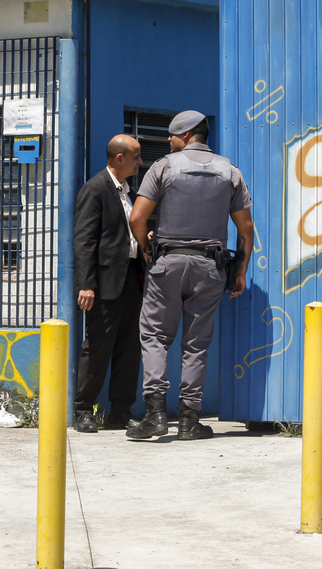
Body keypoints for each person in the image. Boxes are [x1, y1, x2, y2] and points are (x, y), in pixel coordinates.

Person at [126, 110, 253, 441]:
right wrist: (241, 271)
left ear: (186, 136)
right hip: (210, 268)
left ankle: (155, 414)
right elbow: (246, 228)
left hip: (167, 263)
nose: (168, 140)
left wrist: (146, 248)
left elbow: (138, 217)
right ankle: (188, 420)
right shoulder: (230, 172)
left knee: (154, 336)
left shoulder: (165, 167)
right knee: (196, 346)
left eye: (171, 135)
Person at [72, 134, 145, 433]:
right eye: (136, 156)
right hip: (103, 282)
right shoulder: (95, 189)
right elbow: (84, 240)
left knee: (130, 347)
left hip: (131, 278)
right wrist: (86, 284)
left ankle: (121, 411)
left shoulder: (129, 191)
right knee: (98, 346)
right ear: (119, 158)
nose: (141, 161)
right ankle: (83, 411)